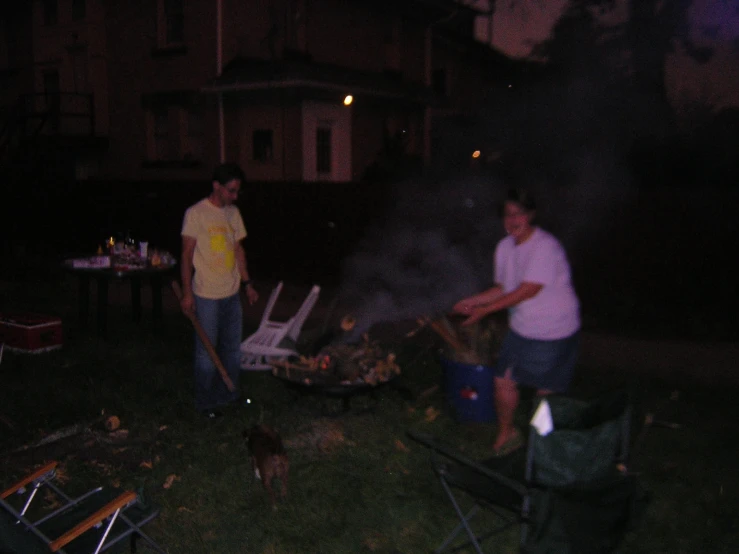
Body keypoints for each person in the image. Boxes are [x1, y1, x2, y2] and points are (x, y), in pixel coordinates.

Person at [452, 188, 580, 455]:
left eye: (519, 213)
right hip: (523, 327)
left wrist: (485, 310)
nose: (512, 220)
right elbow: (503, 287)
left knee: (545, 391)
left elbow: (527, 290)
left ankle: (543, 446)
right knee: (503, 380)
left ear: (531, 215)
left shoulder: (545, 246)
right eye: (507, 215)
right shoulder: (505, 247)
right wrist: (473, 301)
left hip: (553, 330)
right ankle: (507, 433)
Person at [180, 162, 259, 418]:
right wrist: (187, 293)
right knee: (206, 351)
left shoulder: (233, 213)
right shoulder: (196, 213)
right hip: (206, 296)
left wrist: (247, 284)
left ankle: (229, 394)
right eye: (231, 190)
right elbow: (186, 255)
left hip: (231, 293)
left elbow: (238, 251)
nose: (235, 197)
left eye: (237, 192)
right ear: (216, 186)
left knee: (232, 348)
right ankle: (205, 403)